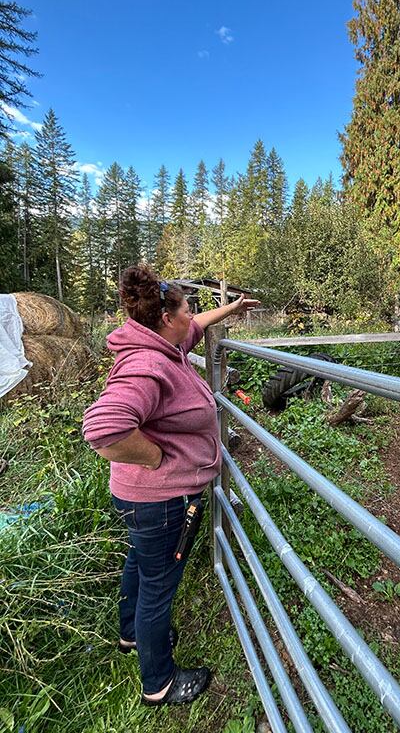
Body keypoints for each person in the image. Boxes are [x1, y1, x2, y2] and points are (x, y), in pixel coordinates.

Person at [82, 265, 260, 706]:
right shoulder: (147, 365)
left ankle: (130, 634)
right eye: (187, 308)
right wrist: (159, 458)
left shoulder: (164, 344)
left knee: (141, 564)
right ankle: (159, 682)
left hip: (140, 498)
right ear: (167, 318)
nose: (192, 316)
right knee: (159, 588)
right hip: (161, 499)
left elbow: (195, 326)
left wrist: (231, 308)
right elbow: (104, 429)